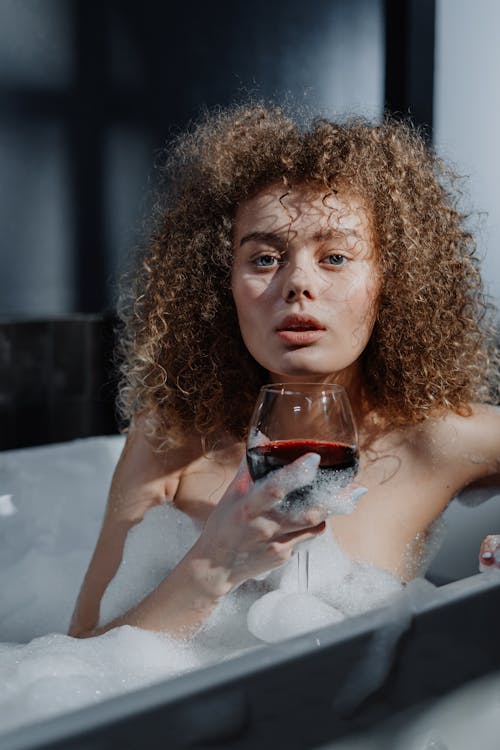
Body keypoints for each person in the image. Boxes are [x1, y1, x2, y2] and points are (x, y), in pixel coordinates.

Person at [69, 103, 500, 640]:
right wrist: (213, 564)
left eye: (336, 258)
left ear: (393, 283)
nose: (298, 282)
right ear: (220, 286)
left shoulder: (433, 439)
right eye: (265, 259)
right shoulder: (169, 440)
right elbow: (79, 660)